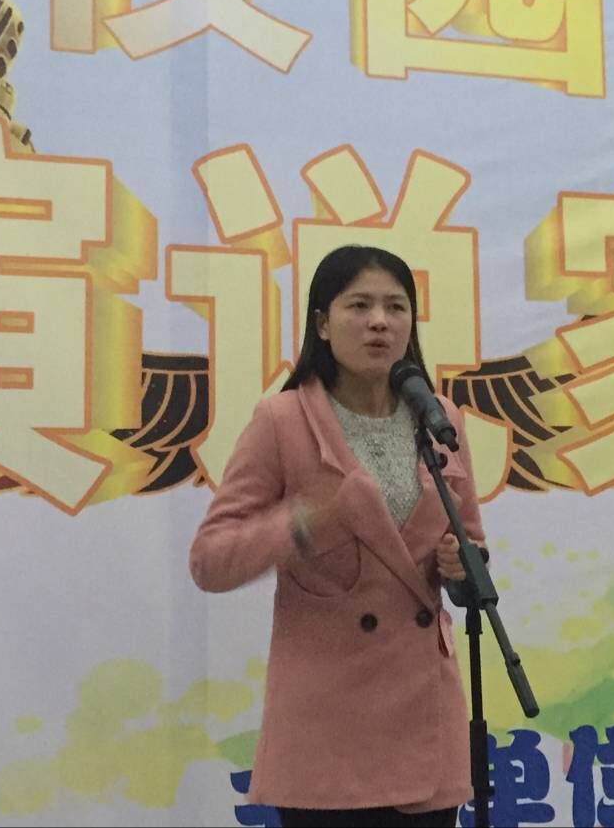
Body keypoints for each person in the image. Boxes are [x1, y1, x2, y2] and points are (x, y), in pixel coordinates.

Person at [190, 245, 487, 828]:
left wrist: (463, 566)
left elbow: (470, 545)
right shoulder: (282, 420)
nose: (380, 321)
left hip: (424, 720)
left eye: (396, 307)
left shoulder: (440, 419)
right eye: (360, 306)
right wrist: (305, 522)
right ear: (322, 324)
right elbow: (211, 560)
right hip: (327, 728)